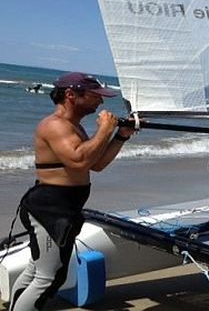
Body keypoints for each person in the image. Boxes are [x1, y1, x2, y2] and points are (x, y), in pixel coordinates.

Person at [9, 72, 135, 311]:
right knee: (48, 278)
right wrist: (104, 130)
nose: (100, 102)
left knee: (38, 271)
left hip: (63, 208)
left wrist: (120, 136)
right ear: (70, 94)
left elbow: (95, 164)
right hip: (50, 210)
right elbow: (78, 161)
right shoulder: (54, 125)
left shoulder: (73, 127)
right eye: (95, 96)